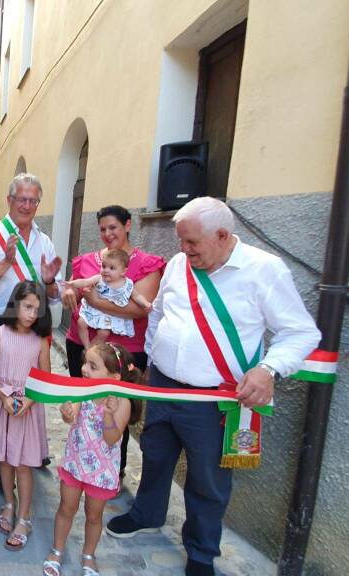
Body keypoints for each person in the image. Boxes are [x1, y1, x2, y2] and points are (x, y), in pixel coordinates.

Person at [105, 197, 320, 576]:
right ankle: (147, 513)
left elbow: (301, 333)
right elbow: (160, 315)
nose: (184, 251)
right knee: (154, 454)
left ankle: (202, 553)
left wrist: (268, 369)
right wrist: (152, 359)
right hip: (165, 386)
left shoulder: (264, 270)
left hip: (214, 398)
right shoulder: (178, 264)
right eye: (181, 242)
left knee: (207, 478)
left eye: (192, 243)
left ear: (223, 235)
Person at [0, 173, 63, 490]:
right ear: (8, 200)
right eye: (20, 198)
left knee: (28, 386)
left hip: (31, 326)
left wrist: (50, 281)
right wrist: (6, 263)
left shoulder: (44, 240)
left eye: (32, 200)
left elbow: (51, 294)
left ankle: (23, 449)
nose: (26, 205)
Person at [62, 205, 166, 479]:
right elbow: (73, 287)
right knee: (84, 405)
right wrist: (68, 294)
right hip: (83, 345)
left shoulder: (146, 264)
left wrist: (95, 301)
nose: (108, 234)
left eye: (114, 227)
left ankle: (112, 471)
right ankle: (80, 462)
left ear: (128, 225)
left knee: (119, 409)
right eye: (103, 229)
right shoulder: (85, 261)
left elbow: (140, 309)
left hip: (126, 352)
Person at [43, 342, 139, 576]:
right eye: (85, 362)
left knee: (94, 516)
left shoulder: (122, 402)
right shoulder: (82, 390)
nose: (84, 368)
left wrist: (108, 415)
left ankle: (88, 555)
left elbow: (112, 438)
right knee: (66, 508)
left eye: (92, 366)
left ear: (114, 376)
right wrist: (67, 413)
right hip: (75, 464)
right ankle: (57, 549)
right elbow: (71, 416)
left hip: (102, 471)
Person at [0, 281, 52, 552]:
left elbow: (45, 379)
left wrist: (29, 401)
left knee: (23, 465)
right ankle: (9, 502)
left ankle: (25, 516)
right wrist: (5, 396)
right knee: (5, 461)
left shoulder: (41, 342)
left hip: (28, 410)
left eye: (37, 309)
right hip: (3, 404)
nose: (32, 314)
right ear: (15, 304)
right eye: (27, 306)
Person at [67, 247, 153, 348]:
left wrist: (145, 304)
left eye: (112, 268)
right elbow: (85, 282)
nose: (106, 270)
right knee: (81, 323)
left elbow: (137, 296)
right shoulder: (99, 279)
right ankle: (86, 345)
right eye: (104, 266)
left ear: (123, 271)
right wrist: (71, 284)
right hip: (94, 311)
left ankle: (91, 349)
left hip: (110, 313)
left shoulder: (127, 284)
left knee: (104, 333)